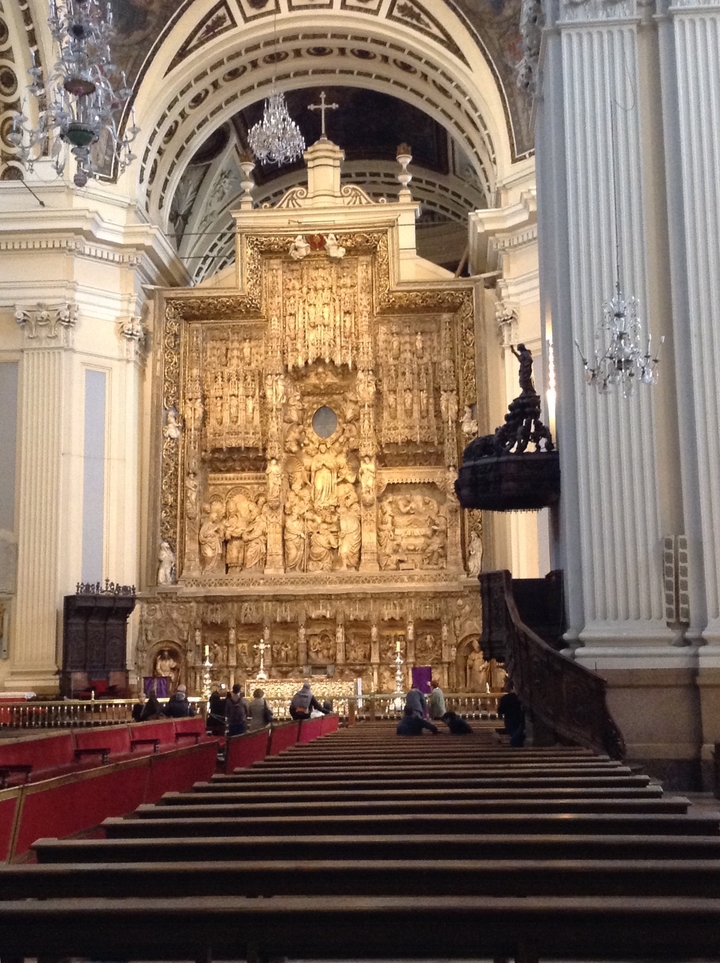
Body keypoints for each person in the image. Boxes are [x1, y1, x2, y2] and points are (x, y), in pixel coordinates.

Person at [498, 680, 526, 747]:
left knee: (513, 733)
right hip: (519, 718)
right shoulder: (521, 697)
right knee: (518, 733)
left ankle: (515, 744)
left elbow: (500, 711)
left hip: (509, 719)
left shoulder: (505, 698)